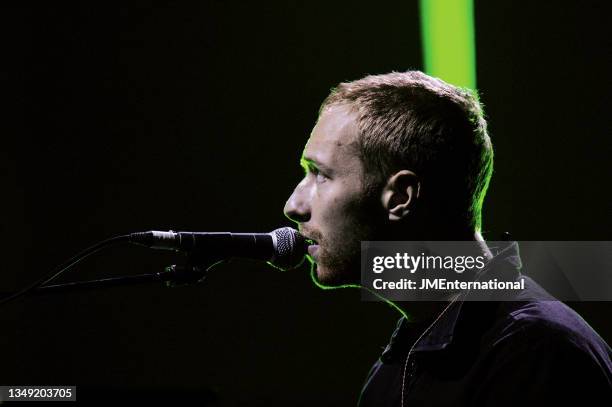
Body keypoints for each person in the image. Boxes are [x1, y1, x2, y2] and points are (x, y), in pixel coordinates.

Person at [283, 71, 611, 406]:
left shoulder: (533, 353)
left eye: (320, 175)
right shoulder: (393, 371)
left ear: (400, 197)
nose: (293, 206)